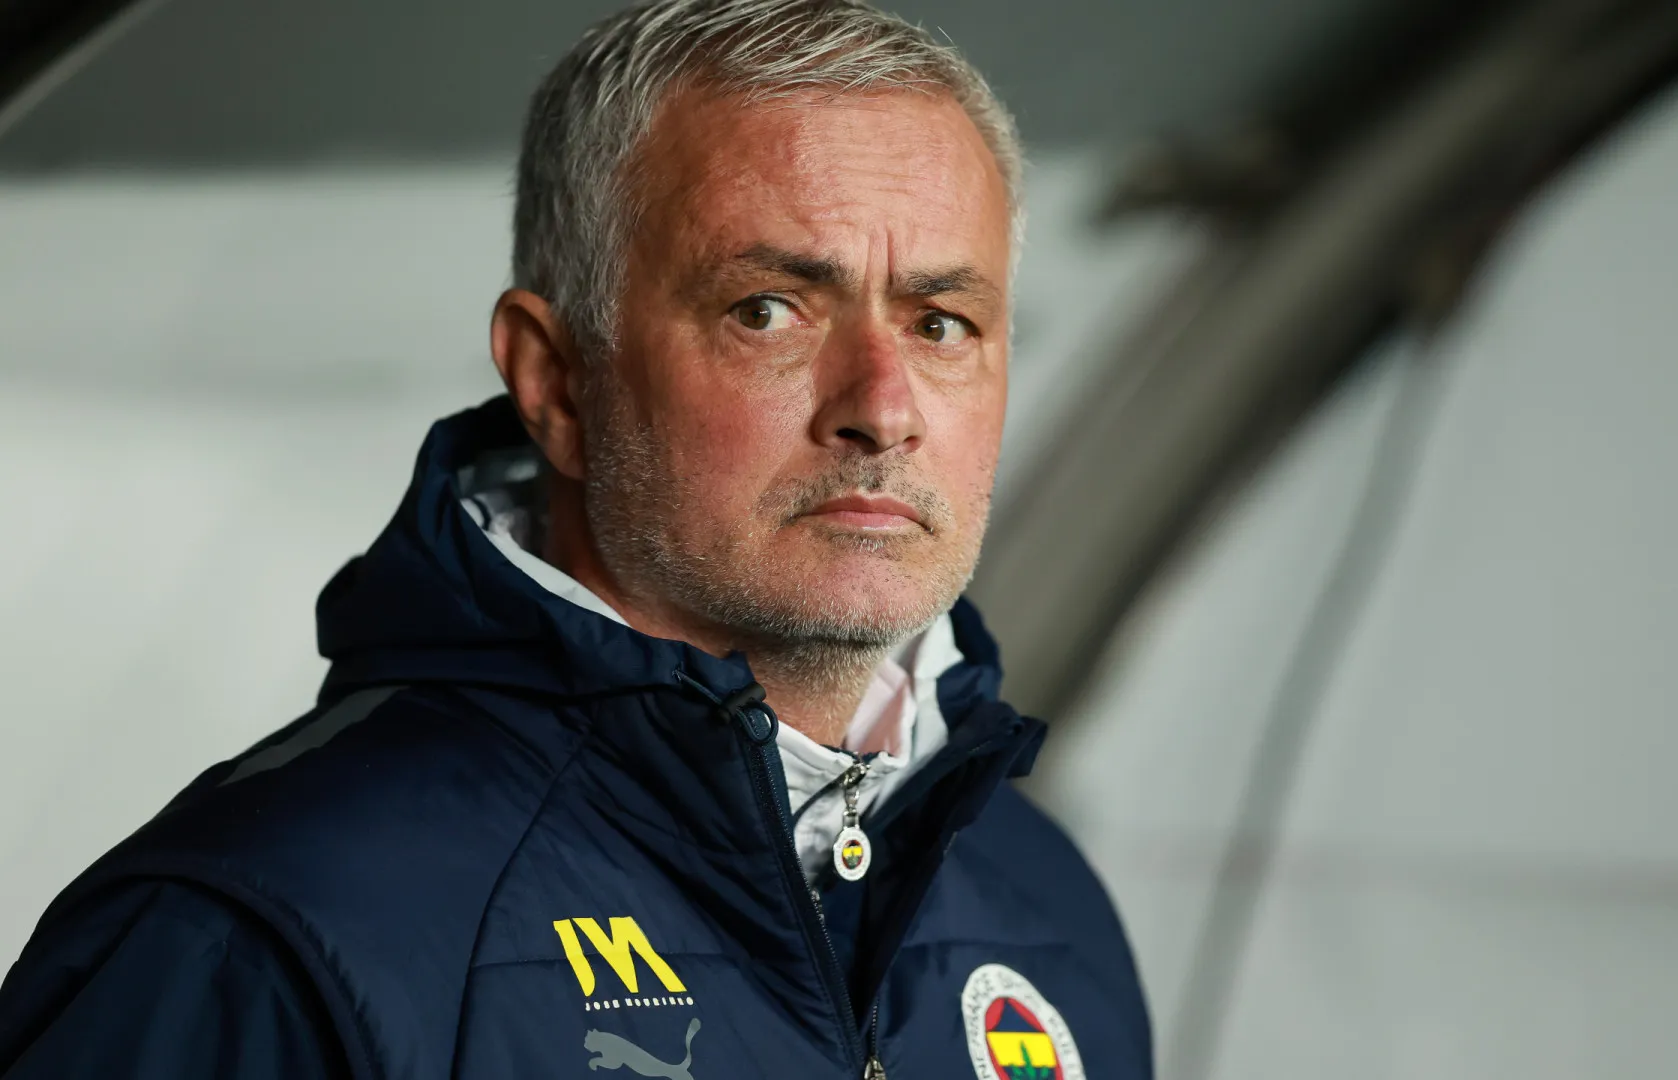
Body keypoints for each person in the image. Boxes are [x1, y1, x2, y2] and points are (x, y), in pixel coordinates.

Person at [0, 1, 1151, 1077]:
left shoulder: (1047, 907)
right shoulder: (259, 938)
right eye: (768, 311)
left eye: (942, 323)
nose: (883, 408)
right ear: (556, 381)